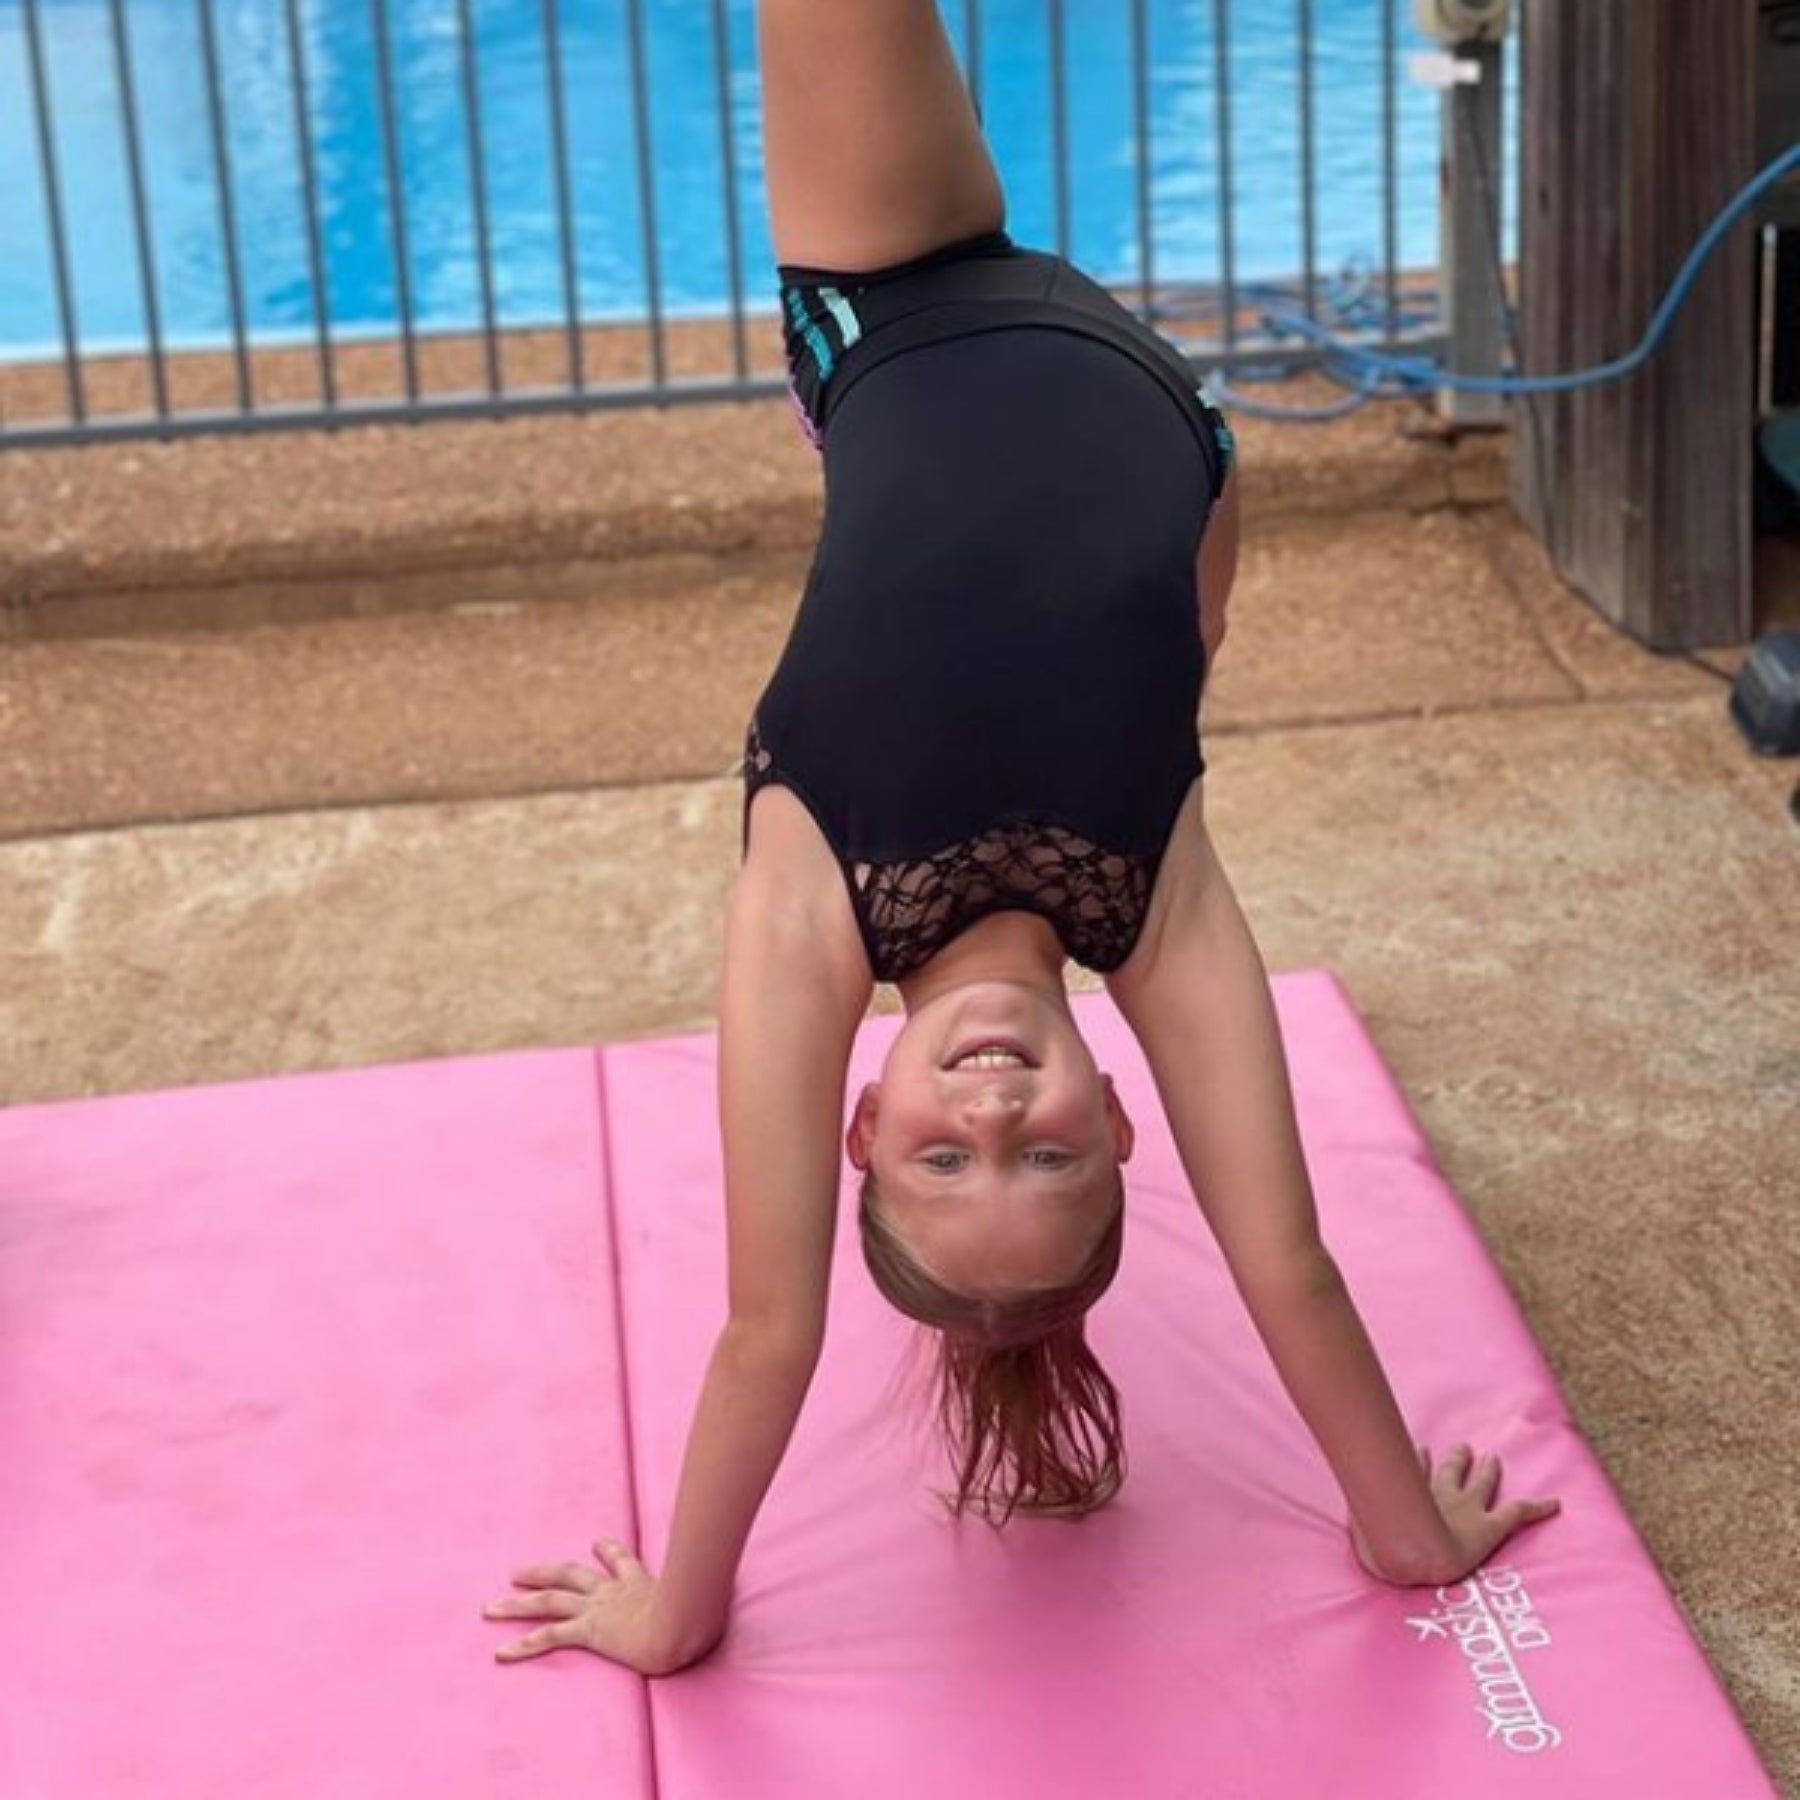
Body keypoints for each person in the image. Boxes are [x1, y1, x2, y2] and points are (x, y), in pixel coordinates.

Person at [482, 0, 1561, 1677]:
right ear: (1123, 1116)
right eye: (1048, 1153)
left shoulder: (814, 917)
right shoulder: (1158, 905)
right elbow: (1289, 1264)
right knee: (1162, 661)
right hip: (1161, 427)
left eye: (943, 1157)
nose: (993, 1109)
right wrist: (1409, 1535)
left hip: (908, 290)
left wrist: (673, 1617)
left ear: (866, 1125)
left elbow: (771, 1329)